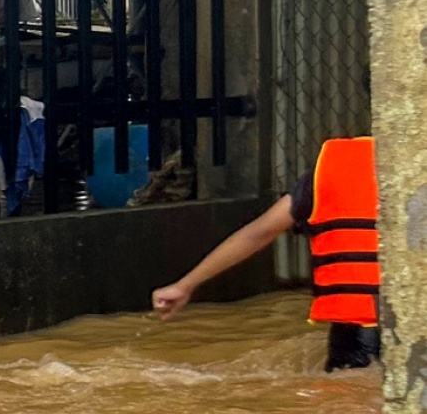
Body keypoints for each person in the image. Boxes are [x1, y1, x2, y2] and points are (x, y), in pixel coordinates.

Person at [153, 135, 380, 371]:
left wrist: (186, 285)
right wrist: (186, 284)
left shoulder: (337, 162)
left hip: (353, 335)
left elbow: (259, 232)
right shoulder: (412, 164)